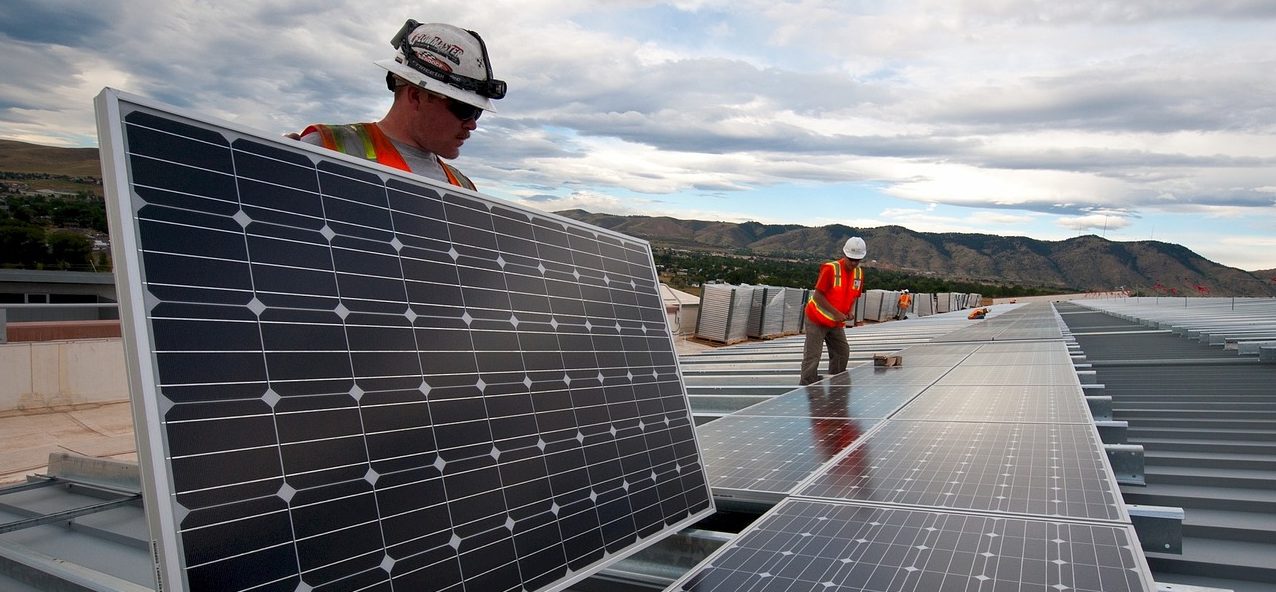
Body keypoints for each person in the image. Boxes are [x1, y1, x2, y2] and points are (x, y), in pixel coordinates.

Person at [298, 19, 506, 190]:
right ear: (416, 96)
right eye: (464, 110)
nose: (472, 125)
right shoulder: (325, 149)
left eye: (477, 112)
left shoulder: (464, 189)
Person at [799, 237, 867, 386]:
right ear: (845, 254)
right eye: (851, 259)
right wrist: (836, 313)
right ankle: (807, 388)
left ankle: (836, 384)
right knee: (813, 356)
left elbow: (855, 295)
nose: (854, 263)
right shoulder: (831, 269)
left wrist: (850, 311)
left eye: (858, 260)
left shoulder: (859, 274)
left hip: (836, 322)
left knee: (842, 352)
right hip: (817, 318)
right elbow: (817, 296)